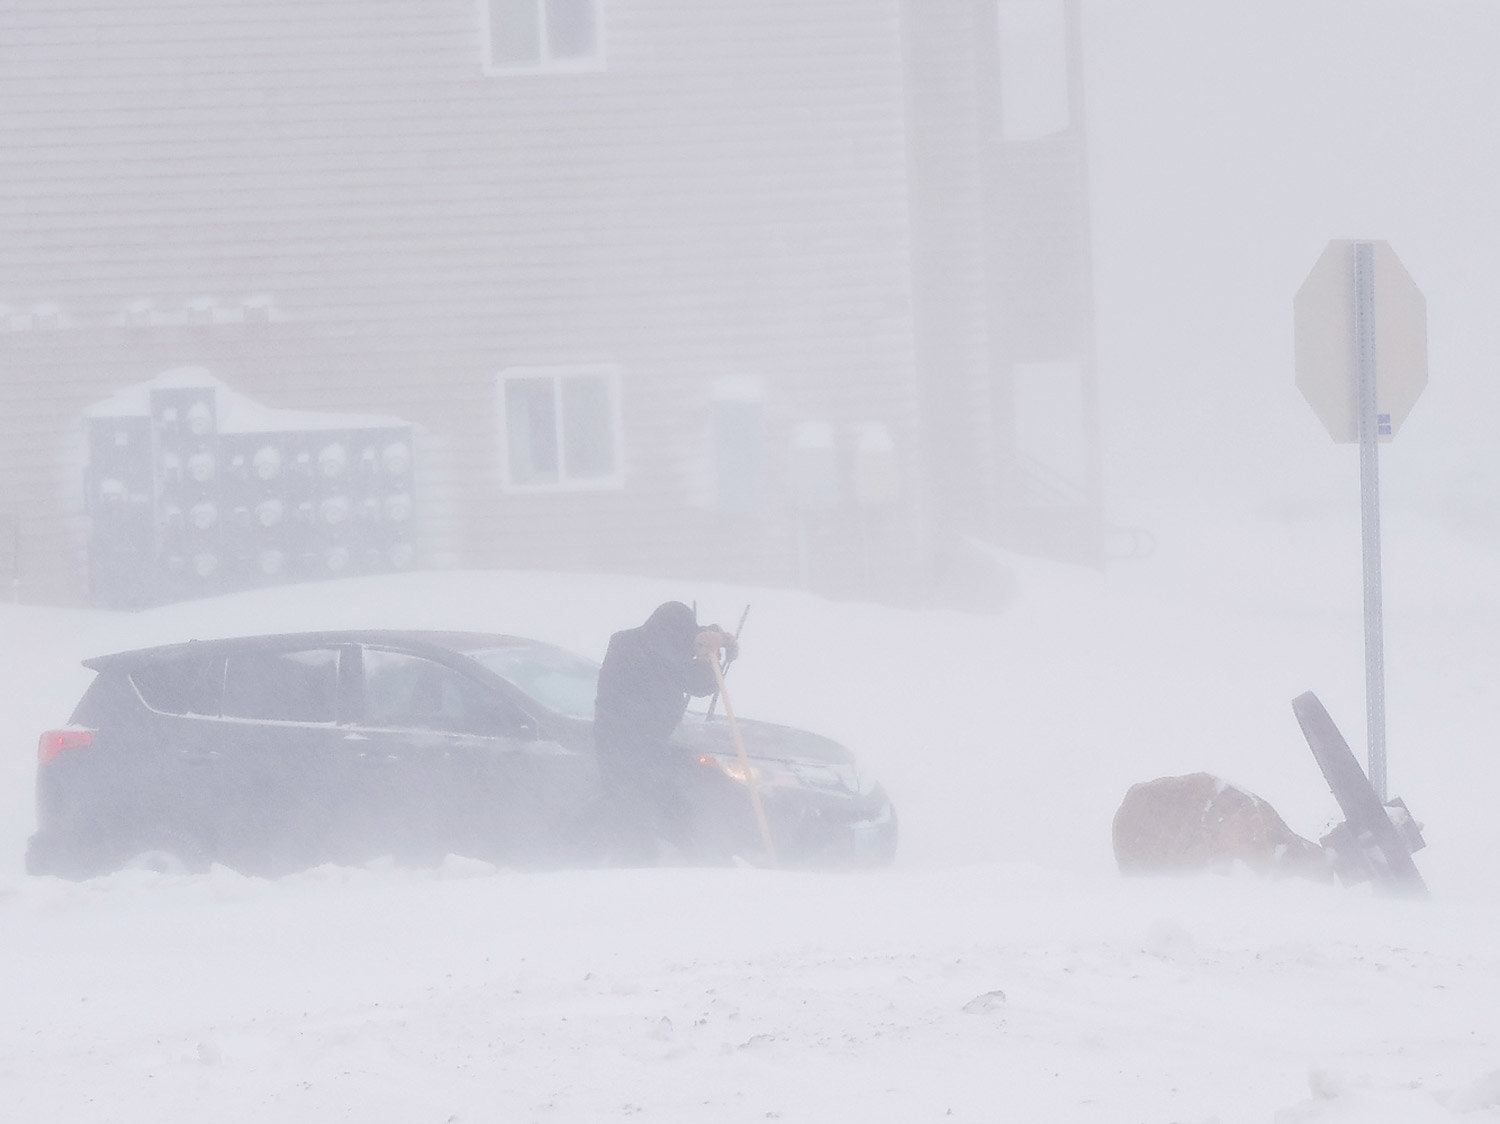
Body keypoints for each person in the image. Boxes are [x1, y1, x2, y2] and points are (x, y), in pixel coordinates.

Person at [592, 601, 739, 865]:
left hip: (643, 745)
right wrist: (709, 656)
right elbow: (700, 682)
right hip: (625, 747)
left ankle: (685, 857)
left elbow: (682, 639)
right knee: (634, 813)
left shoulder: (638, 640)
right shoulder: (644, 652)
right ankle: (635, 866)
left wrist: (714, 637)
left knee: (668, 805)